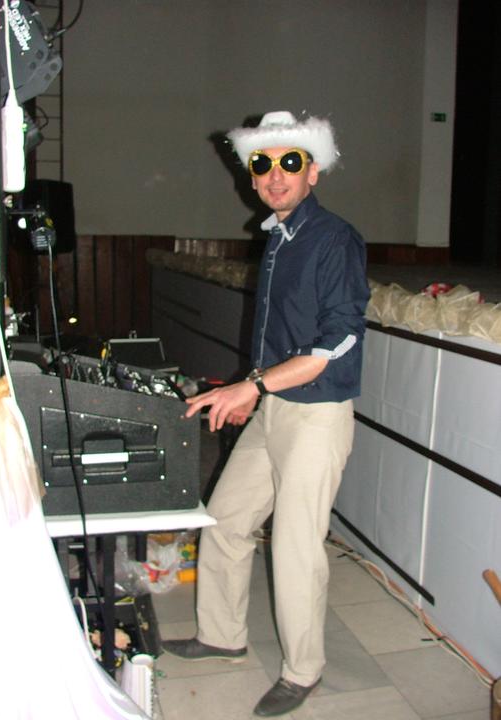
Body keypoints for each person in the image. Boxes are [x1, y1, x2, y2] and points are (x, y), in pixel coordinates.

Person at [163, 110, 371, 717]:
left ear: (313, 172)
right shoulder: (278, 237)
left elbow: (339, 339)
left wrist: (250, 387)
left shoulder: (333, 238)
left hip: (316, 415)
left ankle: (303, 672)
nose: (275, 175)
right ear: (251, 176)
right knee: (225, 520)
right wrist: (248, 391)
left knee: (295, 547)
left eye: (290, 162)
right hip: (273, 406)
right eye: (263, 164)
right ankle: (222, 635)